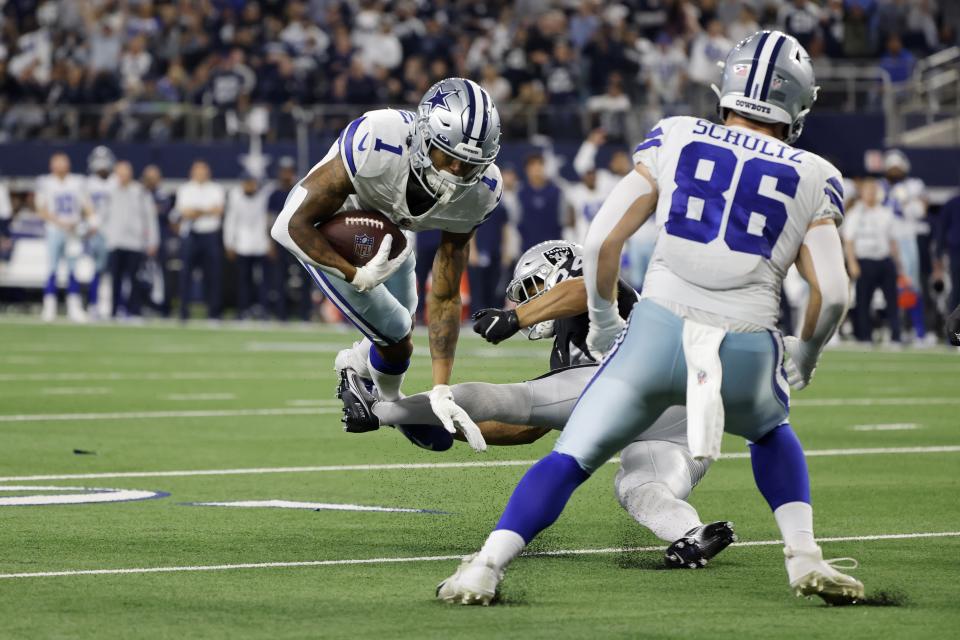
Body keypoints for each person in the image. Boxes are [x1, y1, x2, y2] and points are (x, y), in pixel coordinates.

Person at [438, 31, 864, 607]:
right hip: (742, 344)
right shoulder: (816, 173)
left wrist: (606, 323)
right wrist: (805, 356)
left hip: (655, 333)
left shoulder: (678, 134)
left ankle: (485, 567)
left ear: (728, 87)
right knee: (769, 432)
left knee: (570, 459)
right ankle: (805, 556)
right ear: (800, 105)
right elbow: (833, 293)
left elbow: (601, 239)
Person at [340, 240, 736, 568]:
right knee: (641, 488)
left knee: (511, 395)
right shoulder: (569, 347)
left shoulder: (604, 292)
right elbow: (529, 428)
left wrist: (516, 319)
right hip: (690, 420)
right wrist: (453, 424)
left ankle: (380, 408)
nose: (526, 301)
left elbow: (586, 288)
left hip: (647, 385)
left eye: (533, 288)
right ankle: (692, 534)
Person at [271, 78, 502, 450]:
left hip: (388, 239)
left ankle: (355, 368)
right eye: (449, 156)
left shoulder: (481, 192)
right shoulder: (379, 139)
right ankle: (391, 407)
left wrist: (442, 387)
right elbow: (287, 226)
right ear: (425, 138)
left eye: (470, 165)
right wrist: (355, 274)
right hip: (326, 233)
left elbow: (444, 295)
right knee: (395, 334)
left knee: (404, 321)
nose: (457, 172)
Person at [35, 153, 94, 323]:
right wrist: (60, 222)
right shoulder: (45, 182)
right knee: (52, 268)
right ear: (51, 165)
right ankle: (49, 306)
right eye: (57, 163)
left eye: (63, 163)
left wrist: (87, 221)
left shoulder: (77, 182)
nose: (61, 166)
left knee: (73, 270)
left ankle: (74, 307)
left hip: (73, 231)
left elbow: (87, 205)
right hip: (54, 229)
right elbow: (41, 209)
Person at [843, 178, 902, 344]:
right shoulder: (854, 214)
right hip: (864, 260)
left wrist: (898, 264)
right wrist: (852, 263)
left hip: (884, 260)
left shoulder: (885, 212)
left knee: (892, 300)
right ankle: (864, 336)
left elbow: (893, 241)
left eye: (873, 190)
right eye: (867, 190)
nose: (870, 193)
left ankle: (896, 336)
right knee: (863, 301)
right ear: (861, 193)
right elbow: (849, 240)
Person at [104, 161, 158, 319]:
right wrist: (107, 235)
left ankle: (134, 311)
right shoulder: (111, 191)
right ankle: (113, 311)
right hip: (115, 241)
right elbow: (104, 215)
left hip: (135, 242)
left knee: (134, 278)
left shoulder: (141, 192)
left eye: (125, 173)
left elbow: (150, 218)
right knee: (115, 279)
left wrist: (152, 241)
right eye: (119, 173)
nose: (122, 176)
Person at [175, 160, 225, 321]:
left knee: (213, 276)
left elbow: (218, 211)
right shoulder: (185, 189)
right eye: (198, 171)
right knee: (186, 275)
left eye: (203, 171)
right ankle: (183, 312)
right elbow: (184, 212)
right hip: (191, 235)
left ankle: (214, 313)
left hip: (210, 235)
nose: (201, 174)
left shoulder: (216, 189)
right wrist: (206, 210)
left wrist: (196, 210)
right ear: (192, 172)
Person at [267, 157, 311, 321]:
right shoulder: (274, 195)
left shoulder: (301, 191)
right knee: (280, 279)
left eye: (289, 171)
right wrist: (270, 244)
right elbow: (269, 221)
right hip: (280, 242)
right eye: (284, 171)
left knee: (306, 278)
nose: (286, 175)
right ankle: (281, 314)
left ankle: (305, 314)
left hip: (299, 241)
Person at [224, 171, 271, 319]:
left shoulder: (263, 196)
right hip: (242, 244)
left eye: (251, 182)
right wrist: (229, 243)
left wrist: (269, 243)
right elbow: (230, 220)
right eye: (246, 183)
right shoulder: (235, 196)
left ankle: (263, 310)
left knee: (263, 281)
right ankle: (242, 311)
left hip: (261, 244)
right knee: (243, 281)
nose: (249, 186)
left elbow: (266, 220)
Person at [84, 145, 116, 320]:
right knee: (97, 270)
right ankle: (94, 304)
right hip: (95, 231)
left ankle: (110, 305)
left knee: (113, 271)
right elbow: (84, 208)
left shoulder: (116, 182)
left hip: (114, 232)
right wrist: (89, 224)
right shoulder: (87, 184)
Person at [141, 165, 176, 316]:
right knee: (142, 274)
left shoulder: (162, 195)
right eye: (148, 178)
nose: (151, 181)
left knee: (162, 275)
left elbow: (162, 211)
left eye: (154, 178)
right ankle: (143, 304)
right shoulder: (138, 194)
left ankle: (163, 307)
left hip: (160, 240)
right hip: (140, 240)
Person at [517, 154, 564, 251]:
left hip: (554, 247)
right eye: (532, 166)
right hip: (528, 248)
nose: (536, 169)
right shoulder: (520, 192)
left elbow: (564, 221)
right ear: (526, 170)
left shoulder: (557, 191)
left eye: (540, 165)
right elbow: (515, 222)